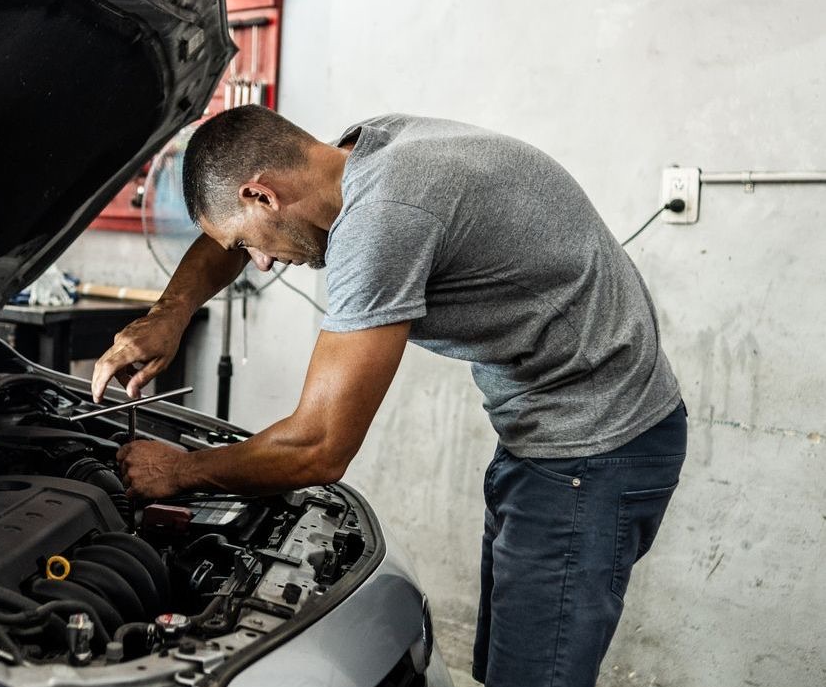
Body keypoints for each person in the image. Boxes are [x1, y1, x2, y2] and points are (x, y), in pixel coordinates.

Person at [90, 105, 686, 687]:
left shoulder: (382, 220)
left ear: (262, 194)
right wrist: (169, 313)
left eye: (250, 243)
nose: (261, 263)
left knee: (533, 675)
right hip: (559, 430)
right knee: (512, 660)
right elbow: (225, 235)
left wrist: (180, 472)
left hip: (591, 449)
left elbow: (318, 448)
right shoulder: (362, 152)